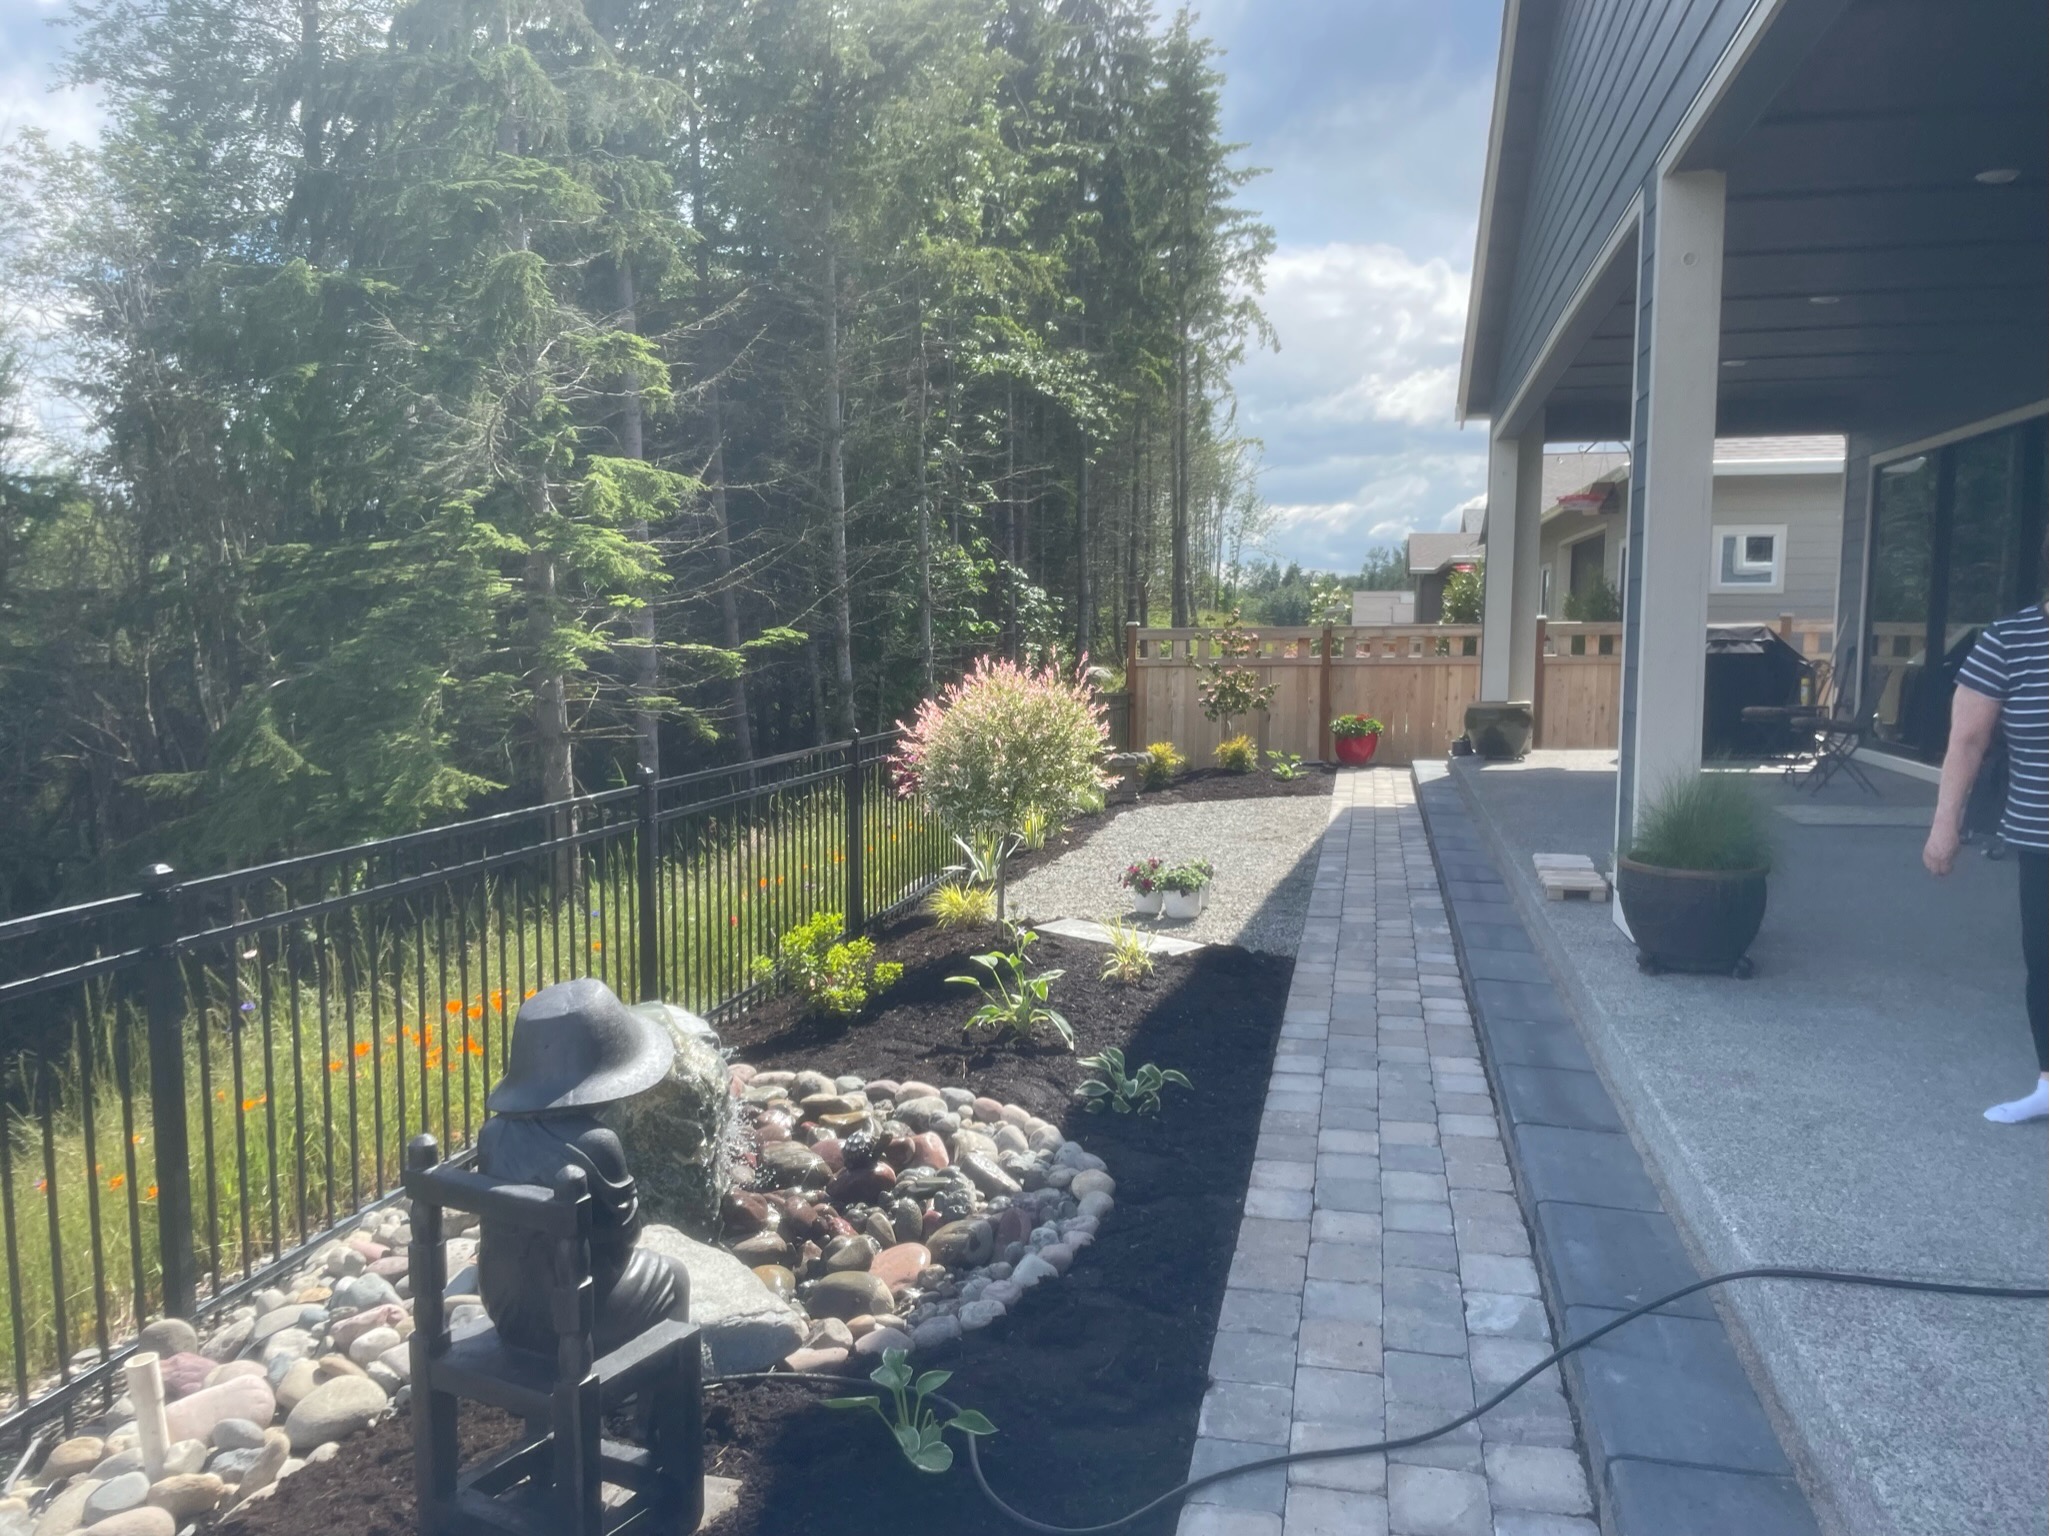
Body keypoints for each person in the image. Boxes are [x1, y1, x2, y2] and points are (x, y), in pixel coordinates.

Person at [476, 977, 691, 1353]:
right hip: (571, 1323)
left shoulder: (491, 1135)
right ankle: (662, 1410)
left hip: (506, 1312)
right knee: (674, 1278)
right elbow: (626, 1241)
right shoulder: (597, 1143)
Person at [1924, 583, 2048, 1124]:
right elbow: (1968, 739)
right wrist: (1944, 825)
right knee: (2045, 962)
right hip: (2043, 835)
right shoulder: (2010, 639)